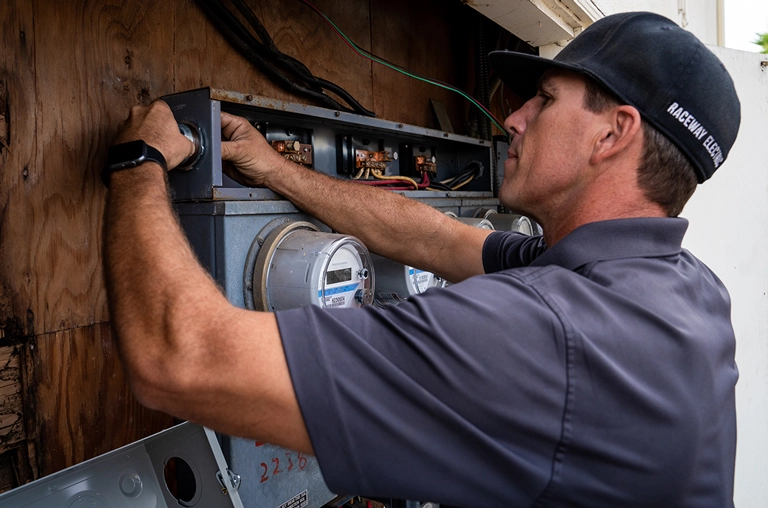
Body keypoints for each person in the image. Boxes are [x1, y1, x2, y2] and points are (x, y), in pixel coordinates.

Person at [102, 11, 740, 507]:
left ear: (613, 132)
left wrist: (139, 165)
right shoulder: (682, 290)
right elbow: (437, 240)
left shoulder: (544, 334)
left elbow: (178, 357)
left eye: (544, 98)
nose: (513, 118)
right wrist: (278, 171)